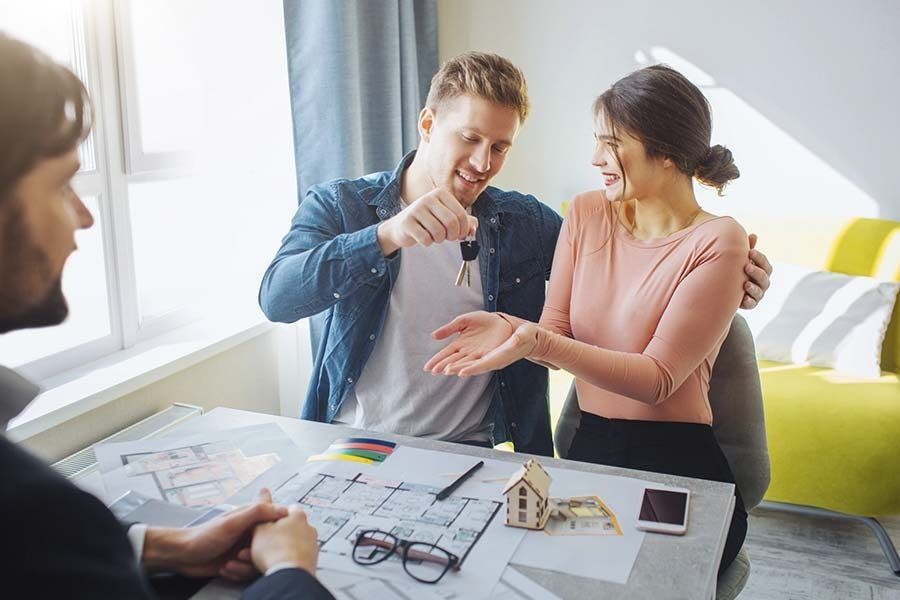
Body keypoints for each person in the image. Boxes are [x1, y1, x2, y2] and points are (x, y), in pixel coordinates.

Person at [259, 52, 772, 456]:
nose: (484, 163)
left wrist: (732, 275)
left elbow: (632, 264)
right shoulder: (342, 206)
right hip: (355, 441)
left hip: (476, 451)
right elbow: (277, 299)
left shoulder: (524, 223)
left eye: (501, 147)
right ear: (428, 122)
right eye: (470, 138)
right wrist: (384, 236)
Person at [0, 32, 332, 599]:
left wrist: (162, 546)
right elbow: (277, 298)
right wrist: (290, 575)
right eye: (60, 185)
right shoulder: (39, 513)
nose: (84, 216)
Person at [426, 65, 755, 572]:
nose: (596, 158)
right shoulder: (585, 213)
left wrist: (530, 339)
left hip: (677, 467)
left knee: (627, 578)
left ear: (665, 152)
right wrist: (514, 330)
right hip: (591, 451)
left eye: (612, 143)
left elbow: (657, 380)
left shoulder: (719, 240)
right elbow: (556, 333)